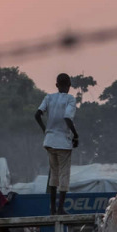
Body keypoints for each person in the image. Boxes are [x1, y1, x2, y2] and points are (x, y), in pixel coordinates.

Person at [35, 73, 79, 215]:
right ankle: (60, 209)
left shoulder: (49, 98)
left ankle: (52, 208)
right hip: (63, 143)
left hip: (49, 141)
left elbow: (37, 115)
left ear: (56, 85)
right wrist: (76, 135)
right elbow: (67, 117)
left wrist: (45, 130)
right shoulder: (70, 99)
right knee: (64, 175)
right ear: (69, 86)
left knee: (53, 174)